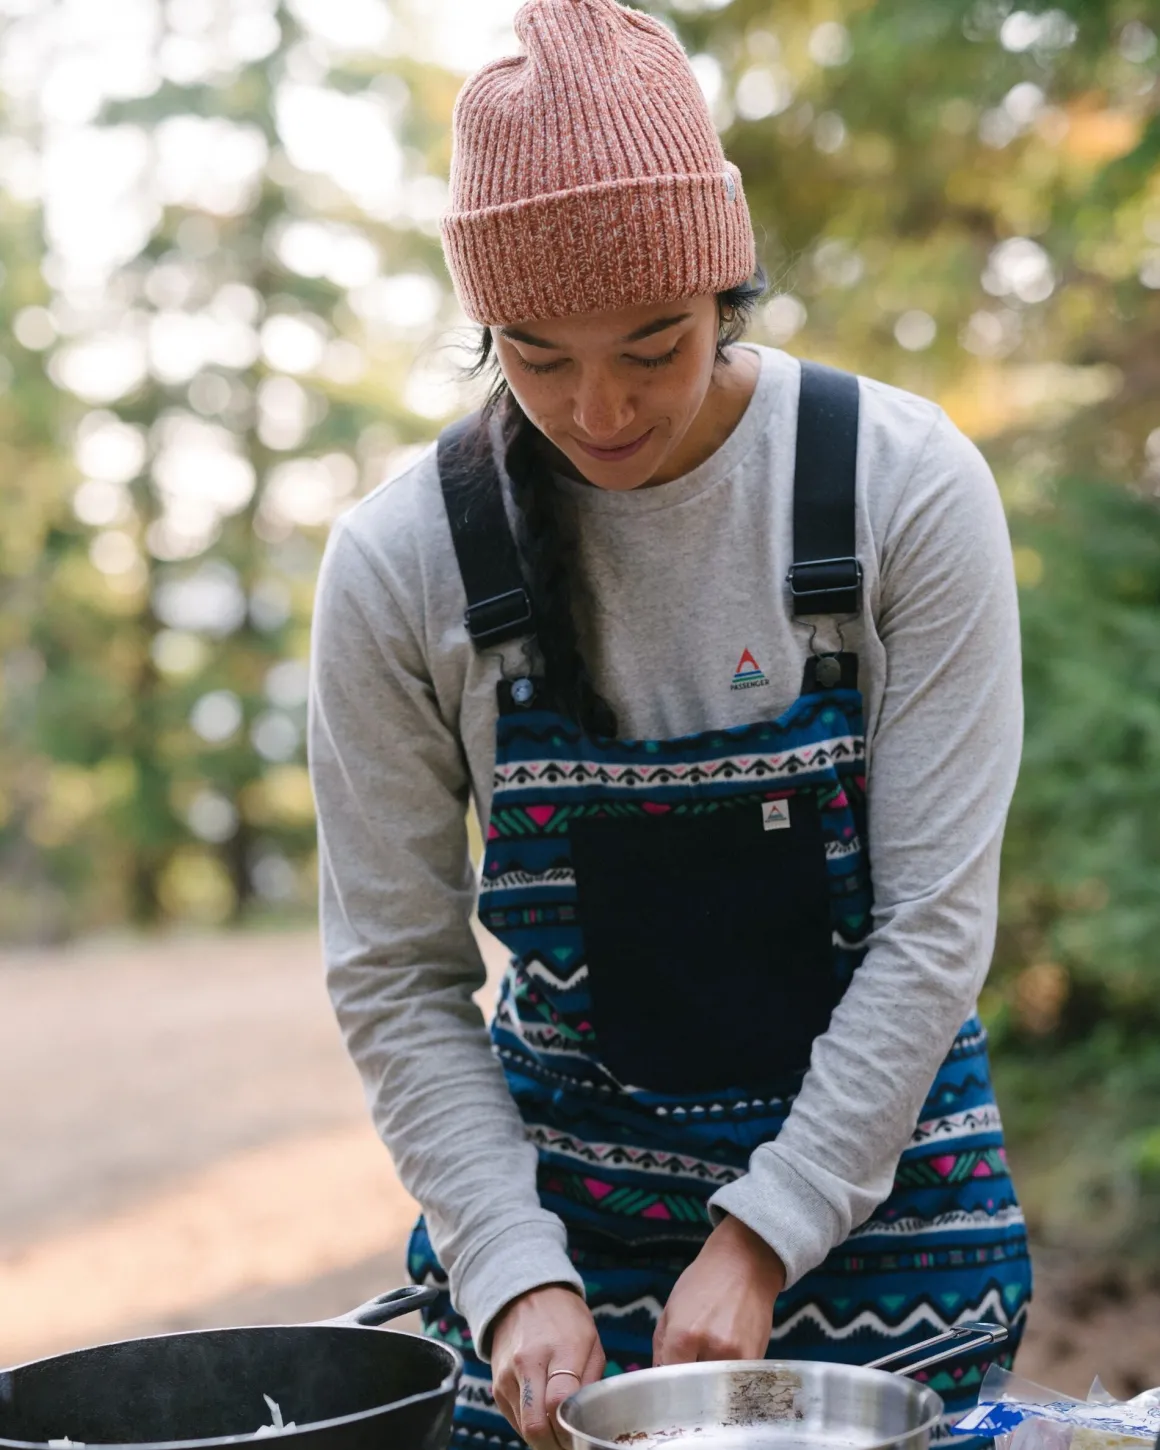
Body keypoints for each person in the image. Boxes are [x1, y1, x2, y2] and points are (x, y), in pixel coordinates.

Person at [307, 1, 1033, 1446]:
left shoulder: (900, 487)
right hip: (556, 1218)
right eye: (535, 353)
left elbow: (935, 928)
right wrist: (511, 1274)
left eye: (655, 342)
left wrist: (761, 1234)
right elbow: (395, 976)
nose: (600, 409)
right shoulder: (401, 562)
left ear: (730, 283)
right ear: (482, 325)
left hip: (890, 1212)